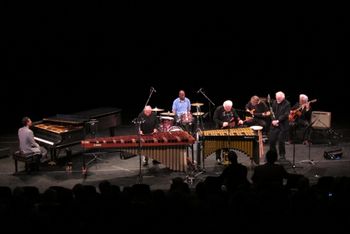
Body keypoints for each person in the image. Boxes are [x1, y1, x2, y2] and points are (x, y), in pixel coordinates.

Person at [213, 100, 244, 164]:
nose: (228, 109)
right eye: (227, 108)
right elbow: (215, 118)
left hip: (228, 129)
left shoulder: (232, 109)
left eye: (229, 108)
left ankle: (226, 157)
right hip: (219, 129)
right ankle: (218, 158)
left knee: (227, 143)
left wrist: (239, 120)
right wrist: (222, 123)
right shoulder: (219, 109)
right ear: (224, 106)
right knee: (219, 144)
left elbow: (236, 116)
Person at [268, 91, 291, 160]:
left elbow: (286, 114)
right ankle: (273, 155)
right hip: (274, 124)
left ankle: (282, 155)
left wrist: (278, 120)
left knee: (281, 141)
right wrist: (273, 120)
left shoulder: (287, 104)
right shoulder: (274, 102)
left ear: (283, 98)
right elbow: (272, 113)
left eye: (279, 99)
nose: (277, 100)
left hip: (282, 125)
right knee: (271, 141)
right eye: (277, 98)